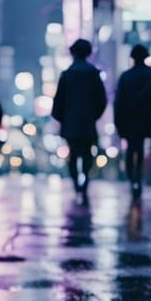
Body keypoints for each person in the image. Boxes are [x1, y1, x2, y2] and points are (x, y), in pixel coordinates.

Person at [51, 38, 107, 203]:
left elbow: (58, 102)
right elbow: (102, 100)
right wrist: (93, 115)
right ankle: (85, 183)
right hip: (88, 122)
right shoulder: (93, 73)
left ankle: (77, 183)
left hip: (71, 123)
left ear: (73, 53)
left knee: (73, 155)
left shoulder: (67, 75)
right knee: (88, 155)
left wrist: (63, 119)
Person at [114, 43, 151, 199]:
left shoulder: (125, 77)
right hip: (145, 121)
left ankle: (133, 180)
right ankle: (138, 180)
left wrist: (119, 123)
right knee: (140, 149)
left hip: (128, 121)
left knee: (131, 150)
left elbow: (118, 103)